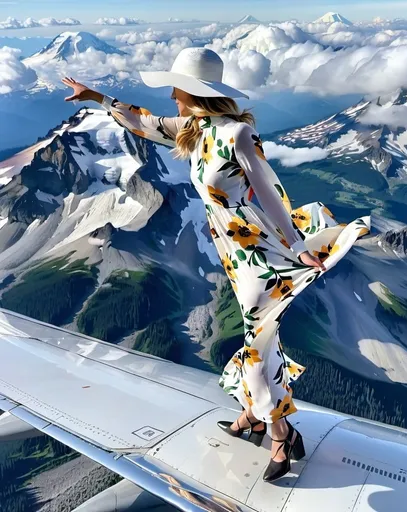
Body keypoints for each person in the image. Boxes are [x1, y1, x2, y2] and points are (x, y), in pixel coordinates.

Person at [62, 47, 370, 482]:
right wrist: (97, 97)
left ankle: (280, 432)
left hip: (258, 247)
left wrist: (297, 244)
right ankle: (256, 416)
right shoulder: (195, 127)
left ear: (193, 91)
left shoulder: (236, 134)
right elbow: (144, 122)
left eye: (177, 87)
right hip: (233, 251)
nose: (171, 93)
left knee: (258, 338)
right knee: (258, 335)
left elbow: (267, 191)